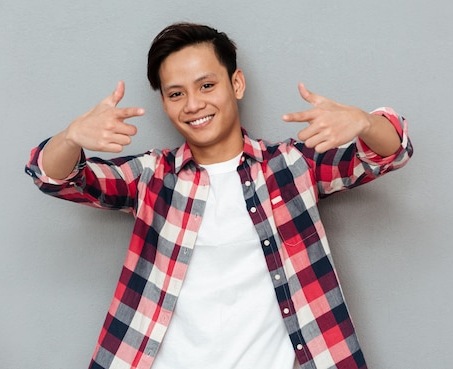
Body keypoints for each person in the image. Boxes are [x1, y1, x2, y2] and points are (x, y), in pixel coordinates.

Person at [25, 22, 413, 369]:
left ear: (236, 84)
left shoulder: (291, 168)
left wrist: (363, 121)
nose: (193, 105)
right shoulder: (153, 177)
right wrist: (71, 137)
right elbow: (54, 176)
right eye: (176, 94)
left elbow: (391, 151)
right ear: (164, 102)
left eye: (206, 85)